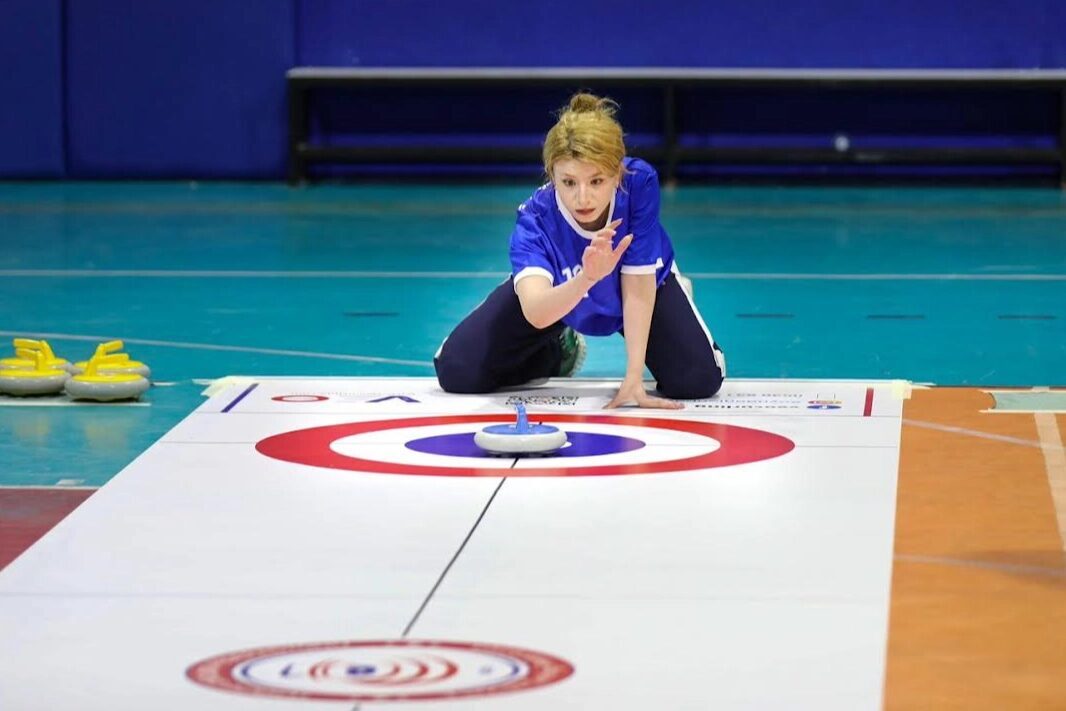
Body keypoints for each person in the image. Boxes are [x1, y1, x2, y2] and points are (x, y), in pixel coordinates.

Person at [434, 93, 725, 408]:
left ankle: (676, 295)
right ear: (552, 175)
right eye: (569, 182)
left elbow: (638, 280)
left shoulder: (639, 183)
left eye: (596, 181)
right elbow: (536, 312)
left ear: (617, 174)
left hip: (638, 287)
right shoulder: (535, 219)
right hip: (560, 295)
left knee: (697, 379)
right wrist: (587, 277)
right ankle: (557, 350)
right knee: (457, 371)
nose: (583, 198)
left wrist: (633, 379)